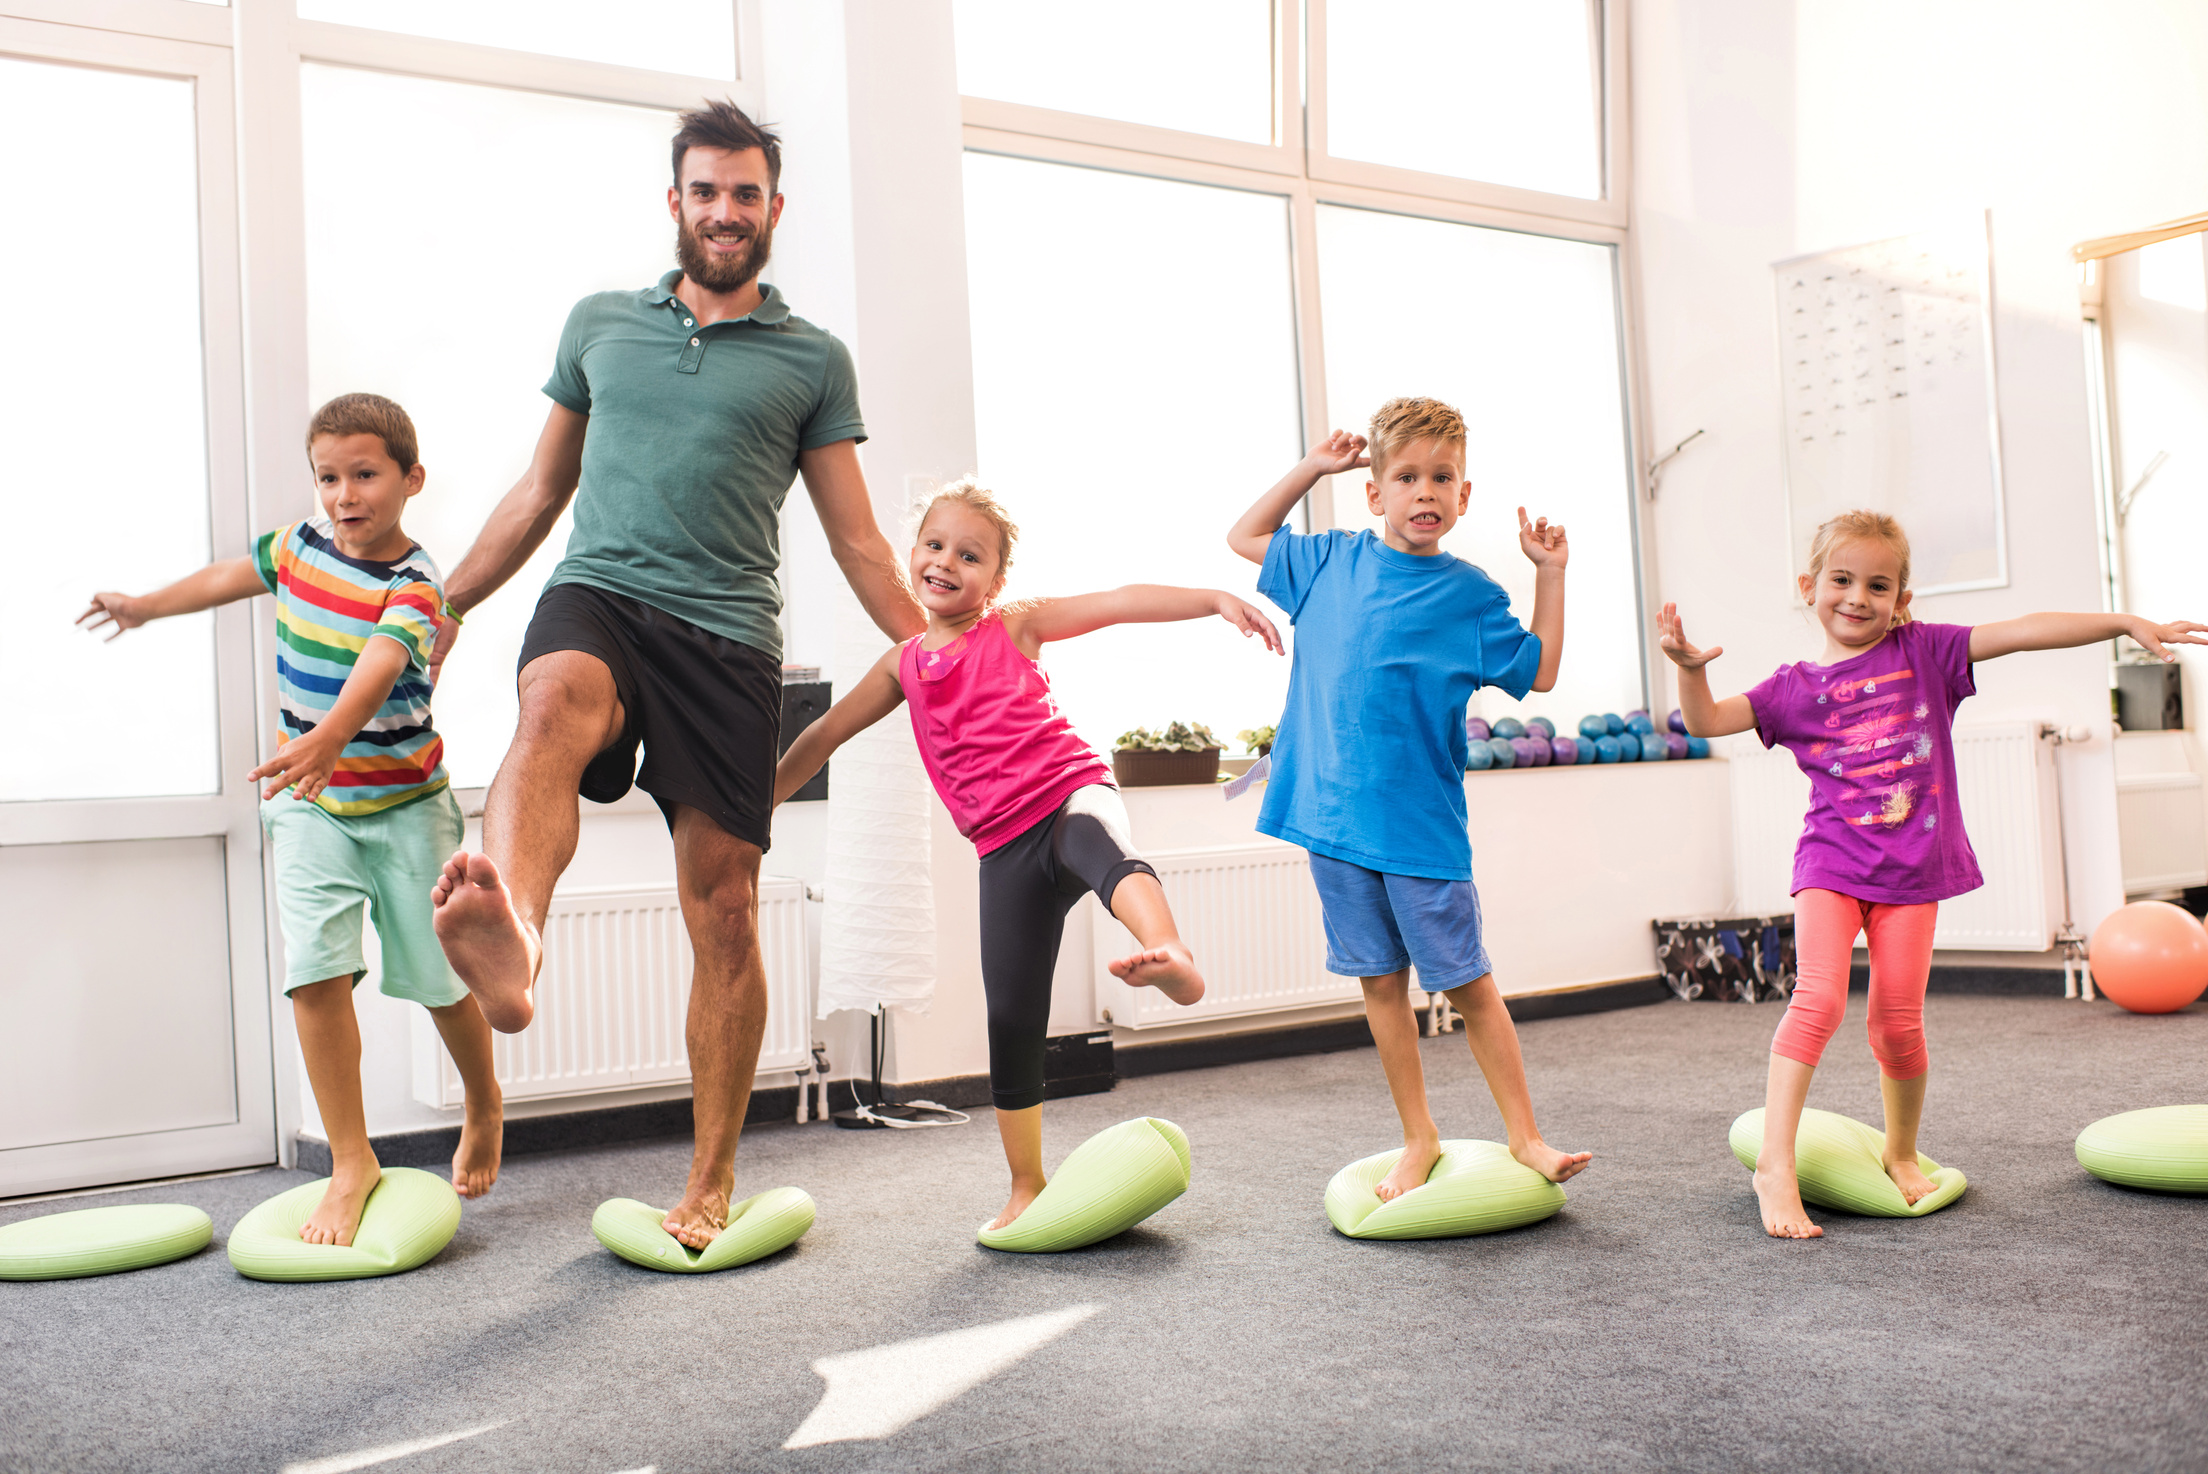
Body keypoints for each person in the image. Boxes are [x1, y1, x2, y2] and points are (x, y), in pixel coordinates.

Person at [424, 101, 923, 1249]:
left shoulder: (811, 361)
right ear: (676, 203)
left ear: (774, 209)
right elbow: (538, 493)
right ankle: (519, 941)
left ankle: (709, 1176)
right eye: (707, 191)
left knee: (728, 907)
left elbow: (855, 539)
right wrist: (441, 606)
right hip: (601, 592)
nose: (727, 212)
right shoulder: (601, 323)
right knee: (550, 704)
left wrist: (936, 642)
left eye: (747, 194)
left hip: (729, 636)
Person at [1661, 508, 2207, 1239]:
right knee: (1819, 1000)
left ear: (1902, 600)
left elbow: (2023, 629)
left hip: (1914, 874)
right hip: (1830, 863)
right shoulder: (1792, 690)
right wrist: (1691, 672)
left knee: (1896, 1024)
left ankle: (1901, 1150)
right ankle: (1776, 1167)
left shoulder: (1927, 654)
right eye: (1842, 580)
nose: (1857, 597)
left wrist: (2123, 622)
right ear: (1810, 585)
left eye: (1878, 586)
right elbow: (1705, 721)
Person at [775, 480, 1282, 1232]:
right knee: (1012, 1015)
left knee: (1104, 849)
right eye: (935, 546)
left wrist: (1210, 597)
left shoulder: (1012, 626)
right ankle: (1025, 1184)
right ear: (913, 556)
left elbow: (1117, 600)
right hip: (1002, 850)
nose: (947, 562)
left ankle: (1168, 950)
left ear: (997, 581)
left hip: (1068, 794)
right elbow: (822, 737)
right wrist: (760, 807)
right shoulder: (902, 665)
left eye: (969, 555)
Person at [78, 394, 503, 1246]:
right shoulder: (300, 547)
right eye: (328, 477)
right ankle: (353, 1159)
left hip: (407, 807)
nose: (345, 495)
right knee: (314, 970)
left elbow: (381, 666)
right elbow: (229, 576)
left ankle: (485, 1104)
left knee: (438, 977)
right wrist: (145, 605)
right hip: (312, 808)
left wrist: (327, 740)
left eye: (366, 475)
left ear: (411, 479)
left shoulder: (416, 585)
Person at [1226, 398, 1591, 1202]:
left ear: (1465, 496)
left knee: (1466, 981)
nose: (1425, 491)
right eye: (1406, 476)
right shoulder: (1329, 562)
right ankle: (1417, 1137)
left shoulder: (1469, 596)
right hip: (1331, 819)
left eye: (1442, 478)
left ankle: (1525, 1137)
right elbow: (1245, 537)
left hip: (1422, 828)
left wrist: (1550, 576)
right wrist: (1314, 467)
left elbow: (1542, 670)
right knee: (1380, 982)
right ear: (1374, 491)